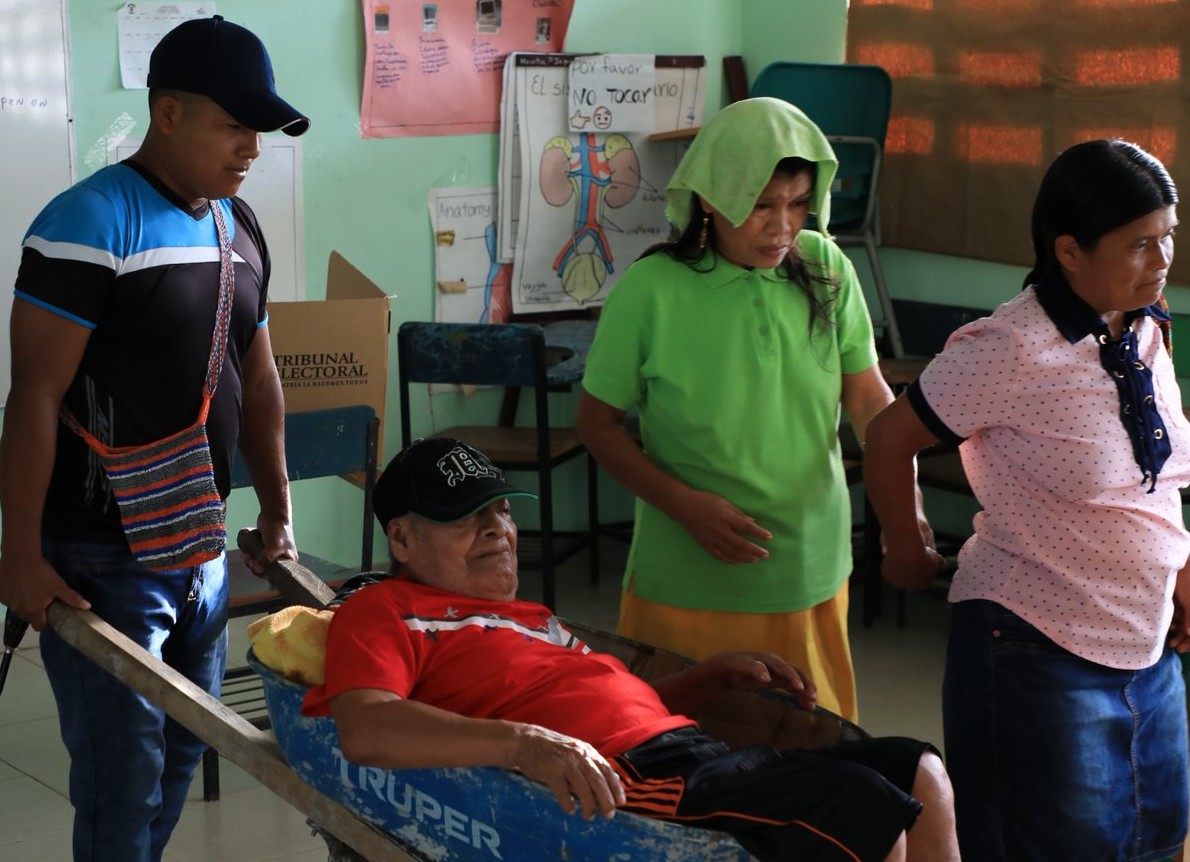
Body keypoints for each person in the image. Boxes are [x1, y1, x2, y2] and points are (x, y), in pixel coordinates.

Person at [299, 436, 961, 862]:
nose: (497, 529)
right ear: (404, 540)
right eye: (465, 517)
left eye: (501, 510)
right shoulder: (382, 611)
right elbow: (366, 725)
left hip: (692, 753)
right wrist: (525, 744)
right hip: (626, 778)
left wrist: (708, 681)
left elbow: (610, 705)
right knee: (859, 809)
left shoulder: (529, 617)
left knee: (917, 767)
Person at [0, 16, 307, 862]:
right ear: (167, 113)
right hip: (100, 559)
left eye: (260, 131)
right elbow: (33, 397)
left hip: (198, 542)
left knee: (183, 751)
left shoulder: (238, 227)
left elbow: (261, 380)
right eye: (233, 126)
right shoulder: (89, 221)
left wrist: (277, 509)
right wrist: (20, 557)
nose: (250, 147)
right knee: (119, 777)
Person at [863, 139, 1190, 861]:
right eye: (1139, 245)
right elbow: (888, 439)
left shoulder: (1143, 325)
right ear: (1069, 251)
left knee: (1153, 842)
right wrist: (907, 544)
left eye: (1168, 237)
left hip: (1147, 646)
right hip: (1035, 650)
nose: (1162, 260)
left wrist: (1180, 572)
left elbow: (1158, 478)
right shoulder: (1010, 348)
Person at [576, 96, 932, 722]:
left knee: (808, 749)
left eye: (798, 203)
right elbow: (596, 424)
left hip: (808, 562)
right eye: (762, 205)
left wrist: (908, 509)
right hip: (687, 569)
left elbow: (871, 401)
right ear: (710, 198)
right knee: (687, 755)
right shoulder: (651, 290)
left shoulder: (828, 269)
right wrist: (683, 505)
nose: (783, 225)